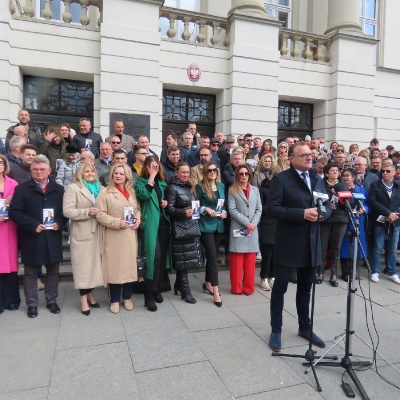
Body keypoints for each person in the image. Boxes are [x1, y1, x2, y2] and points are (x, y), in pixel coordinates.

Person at [267, 142, 331, 352]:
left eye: (310, 154)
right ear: (291, 159)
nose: (308, 158)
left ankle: (305, 327)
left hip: (311, 243)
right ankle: (276, 329)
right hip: (289, 243)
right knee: (281, 288)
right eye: (303, 155)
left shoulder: (316, 178)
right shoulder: (281, 179)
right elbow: (273, 209)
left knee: (306, 288)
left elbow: (326, 205)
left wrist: (323, 214)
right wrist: (301, 214)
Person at [9, 155, 66, 318]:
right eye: (35, 169)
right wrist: (32, 224)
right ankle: (32, 303)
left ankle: (51, 300)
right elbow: (14, 212)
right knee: (30, 273)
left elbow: (64, 212)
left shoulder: (59, 189)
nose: (39, 172)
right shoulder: (21, 189)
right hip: (31, 237)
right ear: (31, 171)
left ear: (49, 170)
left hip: (52, 236)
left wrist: (59, 223)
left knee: (53, 271)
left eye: (42, 169)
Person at [96, 163, 141, 314]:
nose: (119, 176)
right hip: (114, 234)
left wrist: (137, 219)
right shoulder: (105, 192)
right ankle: (114, 299)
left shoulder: (132, 192)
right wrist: (116, 222)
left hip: (129, 234)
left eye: (121, 173)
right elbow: (100, 214)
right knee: (115, 268)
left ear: (127, 175)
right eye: (116, 173)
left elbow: (138, 210)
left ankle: (127, 297)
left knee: (128, 268)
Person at [63, 163, 104, 315]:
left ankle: (91, 295)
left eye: (92, 171)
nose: (90, 173)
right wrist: (87, 212)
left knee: (94, 268)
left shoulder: (100, 187)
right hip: (82, 233)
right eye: (86, 171)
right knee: (84, 269)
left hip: (98, 232)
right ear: (81, 173)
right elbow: (67, 211)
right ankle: (83, 300)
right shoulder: (74, 188)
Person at [135, 156, 172, 311]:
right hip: (150, 224)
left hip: (163, 224)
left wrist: (165, 203)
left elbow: (163, 201)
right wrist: (150, 178)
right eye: (151, 166)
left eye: (156, 166)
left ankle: (157, 288)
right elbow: (142, 196)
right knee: (153, 258)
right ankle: (149, 294)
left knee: (161, 259)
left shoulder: (162, 183)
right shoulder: (141, 182)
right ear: (146, 168)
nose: (154, 169)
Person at [165, 162, 202, 304]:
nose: (186, 175)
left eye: (187, 172)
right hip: (179, 228)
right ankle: (186, 292)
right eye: (183, 172)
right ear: (176, 172)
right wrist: (183, 212)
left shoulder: (190, 186)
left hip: (190, 226)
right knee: (183, 262)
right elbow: (169, 209)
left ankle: (178, 286)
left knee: (186, 260)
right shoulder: (172, 188)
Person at [195, 161, 226, 307]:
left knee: (213, 257)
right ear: (205, 172)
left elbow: (222, 204)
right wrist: (205, 209)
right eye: (209, 171)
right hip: (206, 225)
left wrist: (223, 212)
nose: (212, 172)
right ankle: (215, 290)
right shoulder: (199, 186)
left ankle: (207, 282)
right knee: (213, 257)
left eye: (214, 170)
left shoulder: (221, 186)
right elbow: (195, 205)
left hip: (218, 226)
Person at [228, 164, 262, 295]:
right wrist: (247, 223)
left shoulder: (255, 190)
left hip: (252, 229)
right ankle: (236, 288)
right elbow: (232, 210)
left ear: (249, 175)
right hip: (239, 228)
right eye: (241, 173)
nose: (244, 176)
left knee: (250, 262)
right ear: (237, 175)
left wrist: (253, 224)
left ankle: (248, 288)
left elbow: (259, 209)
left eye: (246, 173)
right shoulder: (232, 189)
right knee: (237, 261)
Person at [317, 163, 348, 286]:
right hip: (325, 220)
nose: (336, 172)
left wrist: (341, 199)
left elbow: (348, 204)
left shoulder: (343, 186)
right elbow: (316, 200)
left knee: (336, 248)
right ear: (326, 173)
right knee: (322, 247)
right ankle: (320, 273)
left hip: (340, 220)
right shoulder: (321, 186)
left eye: (337, 170)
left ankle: (334, 275)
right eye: (333, 170)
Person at [369, 164, 400, 284]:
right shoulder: (375, 185)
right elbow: (373, 201)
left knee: (392, 248)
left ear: (393, 172)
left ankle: (392, 272)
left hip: (395, 221)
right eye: (383, 171)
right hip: (380, 220)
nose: (385, 173)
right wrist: (387, 213)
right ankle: (374, 271)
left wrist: (394, 215)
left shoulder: (398, 185)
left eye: (388, 171)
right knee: (378, 247)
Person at [339, 168, 368, 282]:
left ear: (354, 177)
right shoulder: (341, 189)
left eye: (347, 176)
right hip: (345, 220)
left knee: (357, 247)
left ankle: (354, 271)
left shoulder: (361, 190)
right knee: (345, 248)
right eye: (344, 176)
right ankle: (345, 273)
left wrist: (364, 209)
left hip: (357, 220)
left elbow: (368, 204)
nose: (345, 178)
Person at [0, 155, 20, 314]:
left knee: (11, 265)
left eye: (1, 162)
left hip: (10, 228)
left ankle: (12, 300)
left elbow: (21, 205)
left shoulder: (13, 184)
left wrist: (14, 201)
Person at [258, 166, 282, 291]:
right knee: (267, 254)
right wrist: (274, 209)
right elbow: (260, 206)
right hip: (268, 222)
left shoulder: (282, 189)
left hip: (280, 223)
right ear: (270, 176)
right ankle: (263, 277)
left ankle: (272, 276)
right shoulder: (263, 189)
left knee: (276, 254)